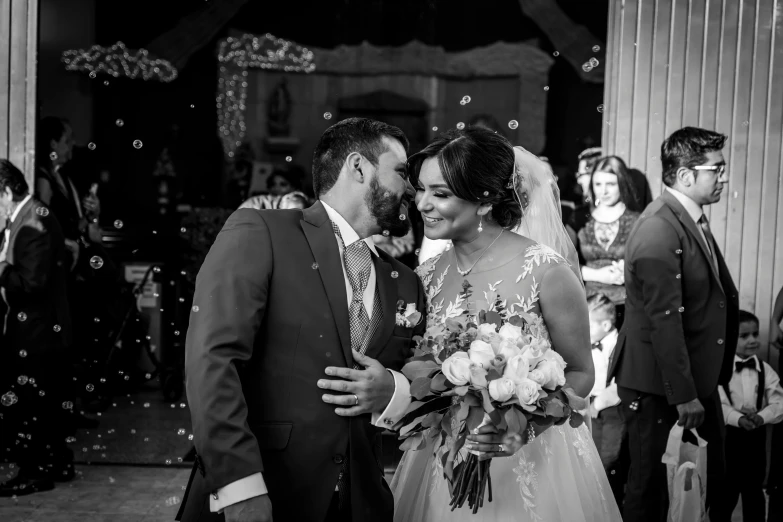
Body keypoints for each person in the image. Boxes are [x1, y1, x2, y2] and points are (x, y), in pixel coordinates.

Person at [177, 117, 426, 522]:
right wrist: (241, 488)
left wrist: (393, 390)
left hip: (361, 504)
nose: (412, 189)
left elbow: (420, 379)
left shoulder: (407, 284)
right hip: (267, 493)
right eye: (401, 172)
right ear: (358, 167)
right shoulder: (262, 232)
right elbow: (213, 359)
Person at [391, 126, 622, 521]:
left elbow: (581, 371)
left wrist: (522, 429)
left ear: (483, 202)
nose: (423, 204)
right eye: (421, 191)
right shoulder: (425, 275)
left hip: (533, 461)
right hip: (444, 455)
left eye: (440, 194)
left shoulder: (546, 271)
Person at [608, 126, 739, 522]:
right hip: (658, 386)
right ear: (685, 176)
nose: (723, 176)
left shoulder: (688, 219)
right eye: (716, 169)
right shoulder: (659, 229)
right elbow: (662, 320)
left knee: (716, 483)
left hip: (694, 380)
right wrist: (684, 395)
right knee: (649, 490)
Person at [0, 159, 74, 496]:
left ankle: (34, 472)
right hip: (42, 329)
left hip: (37, 330)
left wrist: (1, 268)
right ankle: (59, 461)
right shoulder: (29, 216)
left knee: (30, 403)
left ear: (5, 191)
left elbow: (31, 283)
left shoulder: (34, 221)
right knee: (45, 400)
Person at [711, 310, 783, 522]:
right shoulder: (719, 370)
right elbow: (718, 403)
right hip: (727, 438)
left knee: (753, 491)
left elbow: (779, 401)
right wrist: (736, 418)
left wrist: (762, 416)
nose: (752, 340)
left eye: (755, 334)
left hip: (755, 439)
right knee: (725, 492)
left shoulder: (765, 369)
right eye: (744, 336)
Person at [570, 156, 641, 328]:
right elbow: (562, 262)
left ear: (622, 184)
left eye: (610, 184)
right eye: (598, 184)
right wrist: (596, 274)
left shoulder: (638, 220)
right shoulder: (579, 218)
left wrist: (629, 271)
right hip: (586, 307)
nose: (604, 191)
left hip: (627, 308)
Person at [587, 293, 628, 507]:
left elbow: (621, 385)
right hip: (590, 406)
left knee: (609, 459)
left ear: (605, 324)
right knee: (591, 458)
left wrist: (598, 404)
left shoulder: (618, 345)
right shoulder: (590, 342)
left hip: (612, 408)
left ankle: (612, 507)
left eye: (588, 325)